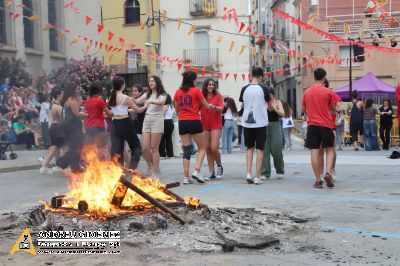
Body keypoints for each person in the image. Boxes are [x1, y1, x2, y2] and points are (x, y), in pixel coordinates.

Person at [302, 68, 341, 189]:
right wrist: (332, 109)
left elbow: (303, 109)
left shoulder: (307, 92)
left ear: (314, 77)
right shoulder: (329, 92)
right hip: (326, 124)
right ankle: (328, 173)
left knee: (314, 151)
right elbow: (335, 108)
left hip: (312, 125)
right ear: (324, 77)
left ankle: (318, 180)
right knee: (330, 149)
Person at [173, 70, 214, 184]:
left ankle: (186, 177)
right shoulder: (196, 91)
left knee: (187, 150)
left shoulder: (178, 92)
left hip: (183, 122)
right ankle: (197, 170)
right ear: (193, 80)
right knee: (202, 147)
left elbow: (176, 109)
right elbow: (206, 106)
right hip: (194, 120)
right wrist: (211, 105)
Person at [239, 67, 271, 185]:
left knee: (249, 148)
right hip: (261, 123)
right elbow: (268, 104)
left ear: (251, 75)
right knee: (260, 149)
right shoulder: (263, 88)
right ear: (261, 76)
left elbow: (243, 105)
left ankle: (248, 173)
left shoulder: (244, 88)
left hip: (247, 123)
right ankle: (257, 176)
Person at [109, 76, 147, 170]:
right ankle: (131, 169)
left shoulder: (111, 96)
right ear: (122, 85)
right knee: (136, 147)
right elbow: (138, 110)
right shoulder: (125, 98)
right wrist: (146, 105)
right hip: (124, 123)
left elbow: (115, 110)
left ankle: (118, 171)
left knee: (117, 150)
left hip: (115, 124)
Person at [134, 76, 166, 177]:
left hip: (157, 120)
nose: (150, 83)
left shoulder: (162, 94)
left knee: (154, 148)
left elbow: (161, 102)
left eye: (152, 81)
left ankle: (155, 172)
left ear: (157, 82)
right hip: (147, 120)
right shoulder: (147, 94)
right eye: (149, 81)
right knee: (144, 148)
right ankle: (151, 166)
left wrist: (151, 101)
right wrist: (126, 98)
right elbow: (137, 101)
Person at [56, 82, 88, 173]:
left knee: (75, 147)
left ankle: (75, 168)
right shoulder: (72, 99)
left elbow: (77, 112)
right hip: (72, 126)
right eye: (77, 89)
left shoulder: (70, 99)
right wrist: (88, 115)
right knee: (78, 147)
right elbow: (77, 114)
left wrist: (84, 112)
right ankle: (62, 162)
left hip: (71, 125)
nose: (79, 90)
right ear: (72, 89)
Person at [200, 78, 224, 180]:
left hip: (216, 124)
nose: (211, 86)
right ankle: (211, 172)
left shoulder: (218, 96)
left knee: (214, 148)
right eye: (209, 84)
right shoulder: (202, 97)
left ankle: (219, 166)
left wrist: (213, 106)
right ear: (205, 86)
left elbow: (222, 109)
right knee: (208, 149)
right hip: (205, 124)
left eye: (213, 84)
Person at [260, 88, 285, 180]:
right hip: (263, 126)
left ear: (272, 94)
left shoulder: (278, 102)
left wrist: (274, 107)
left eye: (269, 94)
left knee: (276, 149)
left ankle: (280, 170)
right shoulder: (262, 103)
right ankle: (265, 173)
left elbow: (282, 114)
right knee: (264, 150)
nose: (268, 96)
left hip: (275, 126)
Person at [40, 87, 65, 174]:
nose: (63, 95)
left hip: (53, 127)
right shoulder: (57, 106)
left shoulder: (53, 104)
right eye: (62, 93)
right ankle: (62, 166)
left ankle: (45, 166)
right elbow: (63, 118)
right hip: (57, 127)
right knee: (64, 146)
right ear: (58, 95)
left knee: (55, 148)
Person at [84, 82, 113, 152]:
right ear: (99, 92)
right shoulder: (99, 100)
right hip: (98, 127)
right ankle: (105, 163)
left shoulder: (87, 101)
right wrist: (115, 112)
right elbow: (109, 113)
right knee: (101, 149)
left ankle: (92, 163)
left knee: (92, 149)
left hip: (88, 127)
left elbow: (88, 113)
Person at [159, 94, 175, 159]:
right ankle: (170, 154)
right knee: (168, 139)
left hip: (165, 122)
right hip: (170, 122)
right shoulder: (171, 106)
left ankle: (162, 155)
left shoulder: (165, 106)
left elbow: (163, 114)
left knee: (162, 139)